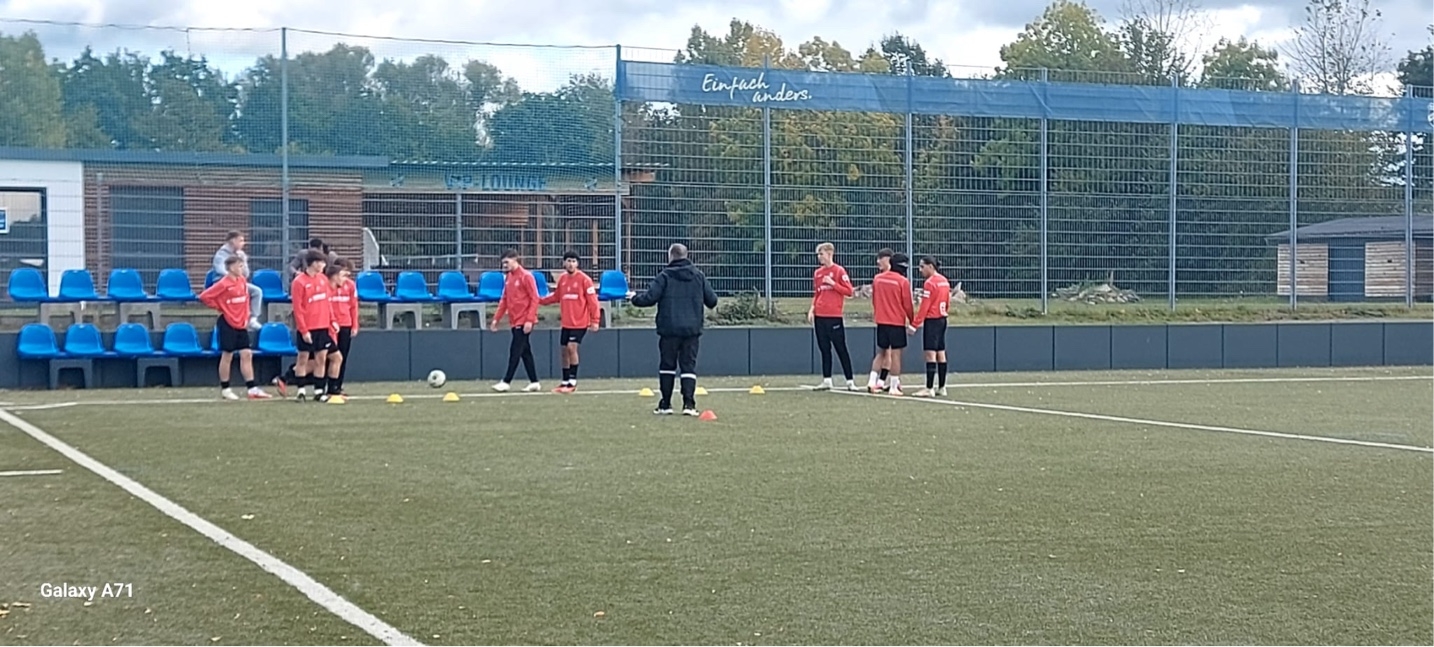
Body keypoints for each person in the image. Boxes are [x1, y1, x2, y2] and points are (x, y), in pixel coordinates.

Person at [630, 243, 719, 416]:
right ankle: (689, 405)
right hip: (691, 330)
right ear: (686, 255)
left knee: (667, 366)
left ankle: (665, 404)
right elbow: (712, 301)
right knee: (688, 367)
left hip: (669, 329)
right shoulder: (698, 276)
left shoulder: (665, 276)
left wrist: (634, 298)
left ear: (670, 256)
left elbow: (649, 298)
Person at [197, 255, 272, 400]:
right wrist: (220, 307)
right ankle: (226, 388)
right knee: (227, 355)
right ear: (231, 267)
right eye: (239, 266)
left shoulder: (242, 281)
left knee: (246, 354)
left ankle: (252, 388)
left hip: (240, 323)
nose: (242, 269)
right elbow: (204, 297)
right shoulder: (223, 284)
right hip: (227, 322)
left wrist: (246, 316)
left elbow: (245, 300)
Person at [540, 250, 601, 393]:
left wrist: (595, 320)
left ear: (577, 264)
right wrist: (539, 300)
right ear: (564, 263)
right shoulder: (562, 279)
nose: (571, 264)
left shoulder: (585, 280)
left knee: (571, 348)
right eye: (568, 261)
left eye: (573, 261)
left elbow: (593, 302)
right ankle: (565, 381)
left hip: (580, 322)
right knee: (563, 351)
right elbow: (556, 296)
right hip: (566, 323)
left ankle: (572, 382)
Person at [807, 242, 857, 391]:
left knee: (841, 348)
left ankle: (850, 381)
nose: (819, 257)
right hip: (820, 316)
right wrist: (812, 309)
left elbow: (849, 291)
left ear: (829, 253)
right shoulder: (818, 273)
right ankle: (827, 380)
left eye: (821, 254)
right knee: (824, 348)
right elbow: (817, 293)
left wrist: (833, 283)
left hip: (834, 316)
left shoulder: (839, 271)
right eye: (818, 254)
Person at [489, 249, 542, 393]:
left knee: (515, 350)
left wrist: (529, 320)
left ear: (515, 260)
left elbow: (535, 298)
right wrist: (496, 319)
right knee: (525, 352)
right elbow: (504, 300)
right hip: (515, 320)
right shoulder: (508, 278)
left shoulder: (526, 276)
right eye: (503, 263)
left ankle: (506, 381)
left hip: (523, 320)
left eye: (507, 262)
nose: (504, 265)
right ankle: (534, 381)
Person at [289, 250, 336, 402]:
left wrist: (332, 320)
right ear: (314, 263)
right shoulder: (299, 282)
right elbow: (298, 308)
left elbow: (327, 302)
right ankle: (301, 391)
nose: (323, 265)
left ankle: (319, 391)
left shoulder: (323, 279)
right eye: (321, 262)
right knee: (303, 358)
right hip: (308, 327)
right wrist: (304, 330)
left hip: (322, 326)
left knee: (321, 358)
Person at [867, 249, 915, 396]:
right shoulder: (902, 281)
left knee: (881, 352)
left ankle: (872, 382)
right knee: (895, 355)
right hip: (896, 323)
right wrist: (912, 320)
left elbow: (875, 300)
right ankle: (894, 386)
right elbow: (907, 304)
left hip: (881, 321)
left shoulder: (878, 279)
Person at [912, 256, 951, 398]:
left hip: (932, 321)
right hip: (942, 319)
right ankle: (942, 386)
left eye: (922, 267)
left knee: (930, 353)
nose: (920, 270)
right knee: (941, 352)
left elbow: (925, 306)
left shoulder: (930, 283)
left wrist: (914, 324)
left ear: (930, 266)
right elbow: (947, 302)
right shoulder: (944, 281)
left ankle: (929, 388)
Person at [212, 231, 263, 331]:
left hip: (238, 282)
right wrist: (234, 277)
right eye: (240, 241)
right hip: (222, 283)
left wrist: (244, 262)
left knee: (257, 291)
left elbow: (246, 274)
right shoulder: (221, 254)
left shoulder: (241, 254)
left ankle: (252, 319)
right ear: (233, 241)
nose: (243, 243)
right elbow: (220, 270)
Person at [320, 261, 355, 399]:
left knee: (341, 357)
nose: (347, 275)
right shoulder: (325, 287)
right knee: (325, 358)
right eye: (344, 272)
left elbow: (353, 306)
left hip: (345, 324)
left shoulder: (350, 285)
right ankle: (322, 387)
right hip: (329, 326)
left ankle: (335, 387)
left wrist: (354, 324)